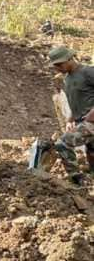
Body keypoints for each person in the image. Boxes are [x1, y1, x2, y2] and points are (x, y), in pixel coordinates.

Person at [48, 46, 94, 185]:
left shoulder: (87, 72)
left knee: (63, 143)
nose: (57, 68)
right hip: (82, 119)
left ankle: (77, 179)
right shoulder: (67, 79)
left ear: (69, 59)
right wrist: (70, 119)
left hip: (91, 120)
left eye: (59, 64)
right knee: (92, 151)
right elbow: (76, 101)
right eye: (55, 65)